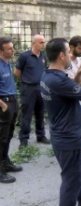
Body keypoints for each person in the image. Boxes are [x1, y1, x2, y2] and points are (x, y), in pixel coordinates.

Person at [40, 38, 81, 206]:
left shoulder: (48, 75)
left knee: (72, 174)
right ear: (61, 55)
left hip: (59, 135)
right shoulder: (60, 80)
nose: (70, 54)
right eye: (68, 52)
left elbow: (70, 89)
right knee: (71, 180)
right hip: (69, 138)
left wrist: (80, 72)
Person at [14, 34, 50, 148]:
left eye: (43, 42)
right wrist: (26, 81)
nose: (43, 44)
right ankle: (23, 139)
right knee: (27, 115)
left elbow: (45, 71)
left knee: (40, 113)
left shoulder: (43, 56)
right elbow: (17, 72)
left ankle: (40, 135)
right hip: (28, 89)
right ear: (34, 43)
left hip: (40, 88)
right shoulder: (25, 56)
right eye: (41, 42)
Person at [0, 37, 23, 183]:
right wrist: (2, 104)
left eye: (12, 47)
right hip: (4, 104)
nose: (13, 50)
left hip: (13, 102)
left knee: (8, 136)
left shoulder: (7, 63)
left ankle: (5, 162)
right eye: (9, 49)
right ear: (1, 51)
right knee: (1, 138)